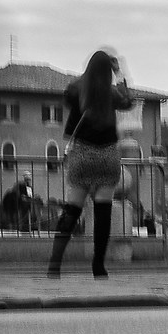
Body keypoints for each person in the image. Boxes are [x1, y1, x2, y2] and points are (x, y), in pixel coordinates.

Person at [49, 49, 133, 280]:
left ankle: (54, 265)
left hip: (82, 154)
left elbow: (68, 97)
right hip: (107, 155)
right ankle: (98, 267)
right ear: (108, 70)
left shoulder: (77, 88)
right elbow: (128, 101)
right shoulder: (111, 93)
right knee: (103, 212)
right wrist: (119, 72)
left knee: (72, 210)